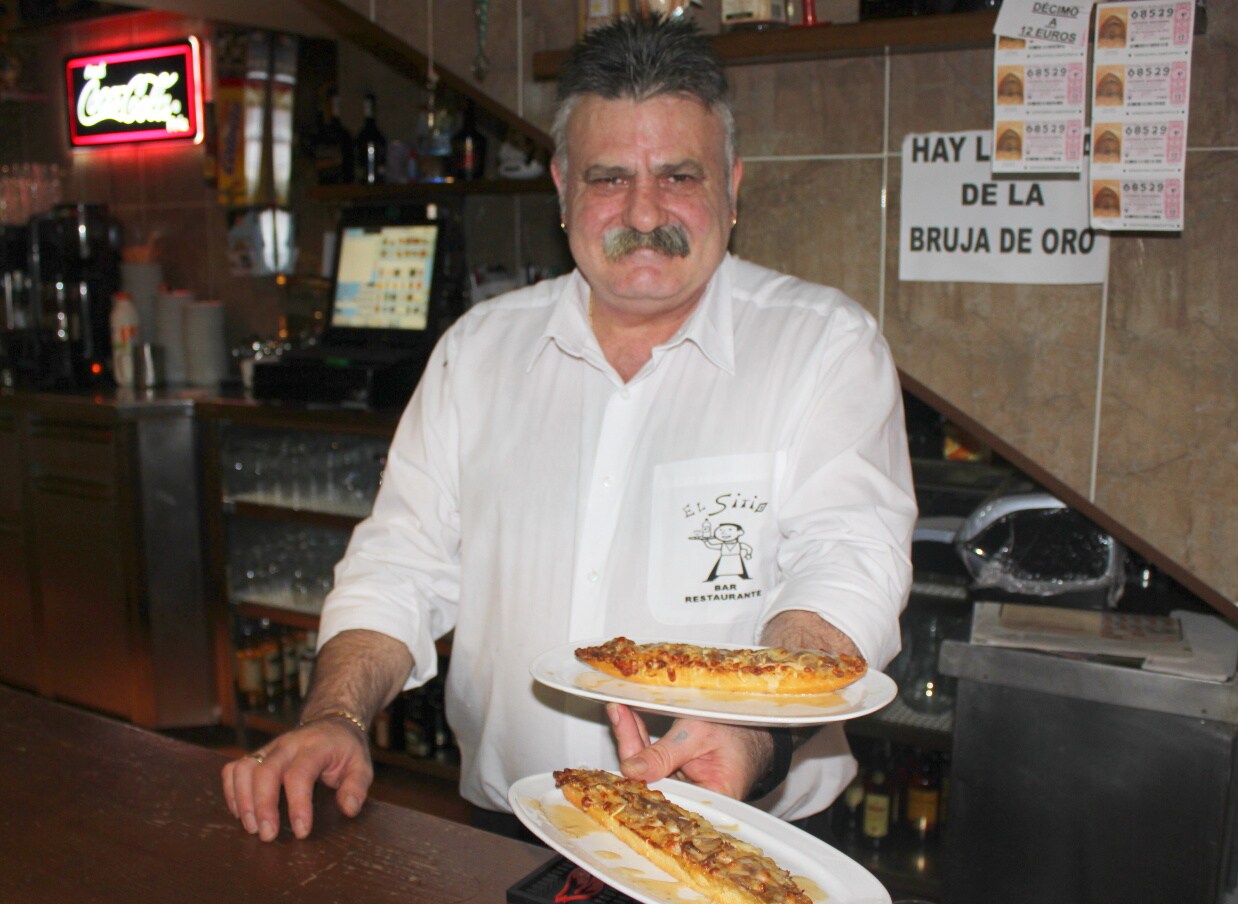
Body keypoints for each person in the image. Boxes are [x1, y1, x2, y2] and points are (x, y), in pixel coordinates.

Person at [221, 15, 915, 844]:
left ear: (733, 184)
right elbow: (398, 565)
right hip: (513, 836)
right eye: (609, 177)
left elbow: (845, 564)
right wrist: (335, 714)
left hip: (746, 836)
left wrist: (754, 730)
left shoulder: (823, 345)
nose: (645, 210)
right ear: (560, 185)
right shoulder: (476, 354)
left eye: (680, 176)